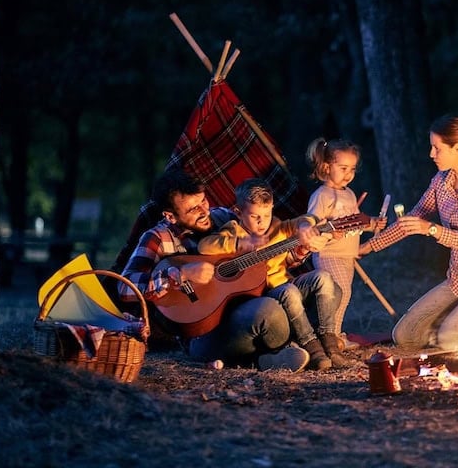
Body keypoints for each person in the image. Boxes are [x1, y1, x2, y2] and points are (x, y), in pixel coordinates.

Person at [119, 167, 326, 372]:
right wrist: (180, 275)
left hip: (249, 303)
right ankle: (264, 358)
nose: (204, 211)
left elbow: (267, 264)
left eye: (203, 201)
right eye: (193, 209)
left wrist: (301, 249)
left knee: (305, 290)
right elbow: (125, 287)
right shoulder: (157, 238)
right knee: (269, 311)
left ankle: (274, 355)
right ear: (170, 216)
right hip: (205, 333)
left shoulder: (224, 217)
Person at [358, 114, 458, 351]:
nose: (431, 154)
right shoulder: (441, 181)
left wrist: (432, 230)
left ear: (457, 148)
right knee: (405, 336)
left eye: (437, 148)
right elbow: (412, 220)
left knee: (449, 338)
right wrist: (368, 247)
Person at [198, 178, 352, 369]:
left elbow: (307, 219)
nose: (262, 222)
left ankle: (329, 339)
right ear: (239, 212)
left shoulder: (278, 227)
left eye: (267, 213)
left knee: (324, 277)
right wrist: (238, 244)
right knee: (290, 291)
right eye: (255, 217)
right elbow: (204, 246)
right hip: (265, 296)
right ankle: (311, 346)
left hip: (285, 285)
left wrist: (305, 227)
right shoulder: (233, 230)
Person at [305, 137, 387, 348]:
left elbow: (355, 222)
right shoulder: (321, 195)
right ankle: (330, 336)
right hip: (329, 254)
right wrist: (330, 233)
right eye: (343, 168)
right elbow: (310, 225)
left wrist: (372, 224)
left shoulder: (350, 194)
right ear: (326, 166)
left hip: (347, 255)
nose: (348, 174)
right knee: (339, 293)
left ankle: (333, 334)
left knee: (341, 294)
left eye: (352, 169)